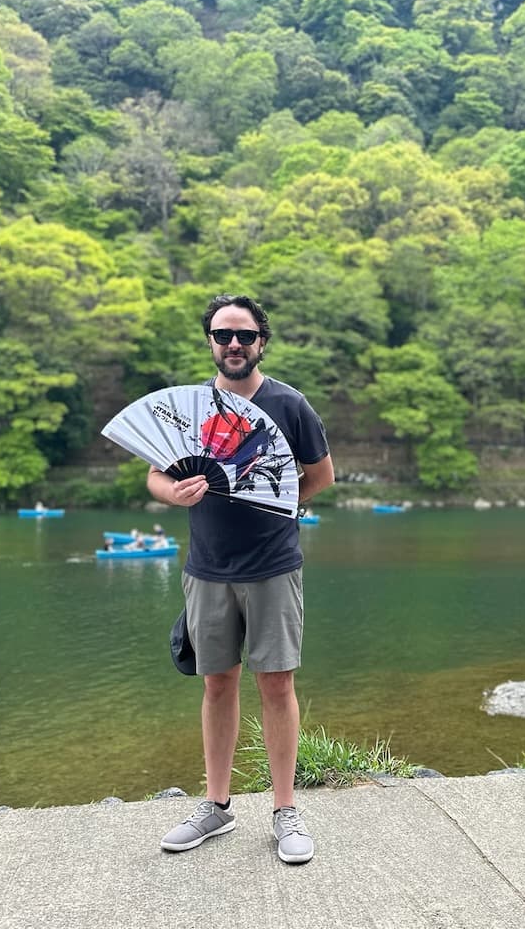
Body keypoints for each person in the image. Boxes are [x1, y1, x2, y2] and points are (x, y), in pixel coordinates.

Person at [147, 293, 334, 865]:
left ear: (261, 343)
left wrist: (280, 504)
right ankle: (216, 806)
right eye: (223, 335)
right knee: (217, 684)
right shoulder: (190, 408)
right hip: (207, 568)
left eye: (245, 336)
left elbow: (321, 476)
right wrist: (173, 493)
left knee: (276, 683)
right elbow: (156, 476)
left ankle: (284, 811)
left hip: (274, 565)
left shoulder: (289, 404)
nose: (234, 345)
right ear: (210, 342)